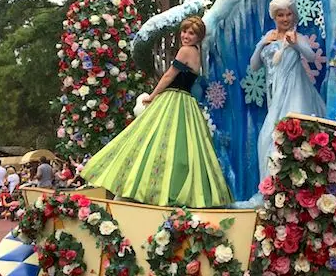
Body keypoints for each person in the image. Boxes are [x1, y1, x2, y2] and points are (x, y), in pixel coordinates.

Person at [81, 16, 232, 207]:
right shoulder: (197, 53)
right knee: (183, 148)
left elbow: (169, 75)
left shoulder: (185, 51)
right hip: (188, 103)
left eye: (191, 33)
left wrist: (152, 96)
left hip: (173, 99)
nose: (186, 36)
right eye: (184, 31)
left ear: (198, 36)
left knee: (150, 141)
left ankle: (144, 190)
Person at [250, 0, 326, 181]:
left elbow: (310, 57)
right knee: (268, 139)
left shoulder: (296, 36)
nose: (285, 19)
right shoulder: (268, 37)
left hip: (294, 90)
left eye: (288, 14)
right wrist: (261, 45)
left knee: (293, 134)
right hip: (274, 92)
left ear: (294, 16)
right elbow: (254, 66)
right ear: (274, 17)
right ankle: (273, 185)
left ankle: (298, 183)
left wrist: (296, 45)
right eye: (280, 15)